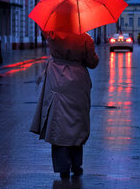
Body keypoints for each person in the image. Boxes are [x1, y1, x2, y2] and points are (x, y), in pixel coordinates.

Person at [30, 30, 99, 179]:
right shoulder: (85, 38)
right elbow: (93, 63)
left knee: (59, 124)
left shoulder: (53, 35)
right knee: (76, 123)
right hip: (78, 83)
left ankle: (62, 167)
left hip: (56, 80)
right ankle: (76, 164)